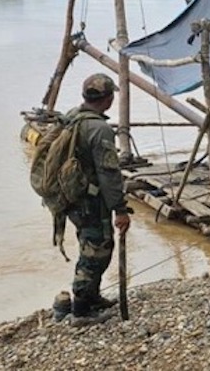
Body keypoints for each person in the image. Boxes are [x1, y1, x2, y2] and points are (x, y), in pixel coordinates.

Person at [64, 73, 131, 325]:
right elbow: (109, 173)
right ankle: (81, 310)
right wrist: (120, 209)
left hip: (73, 198)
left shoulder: (72, 117)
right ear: (108, 99)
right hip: (91, 201)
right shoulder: (100, 129)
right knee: (96, 252)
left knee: (90, 244)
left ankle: (91, 297)